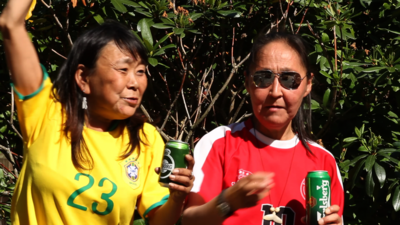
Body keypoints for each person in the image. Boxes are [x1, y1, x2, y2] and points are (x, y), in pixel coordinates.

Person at [0, 0, 194, 224]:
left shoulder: (146, 138)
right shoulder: (45, 114)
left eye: (140, 71)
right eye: (123, 69)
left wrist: (178, 197)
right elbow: (10, 23)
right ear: (84, 78)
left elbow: (159, 221)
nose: (135, 83)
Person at [182, 32, 344, 225]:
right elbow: (189, 221)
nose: (275, 92)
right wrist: (227, 201)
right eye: (263, 78)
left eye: (289, 79)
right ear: (248, 82)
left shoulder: (324, 163)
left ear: (308, 84)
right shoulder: (219, 144)